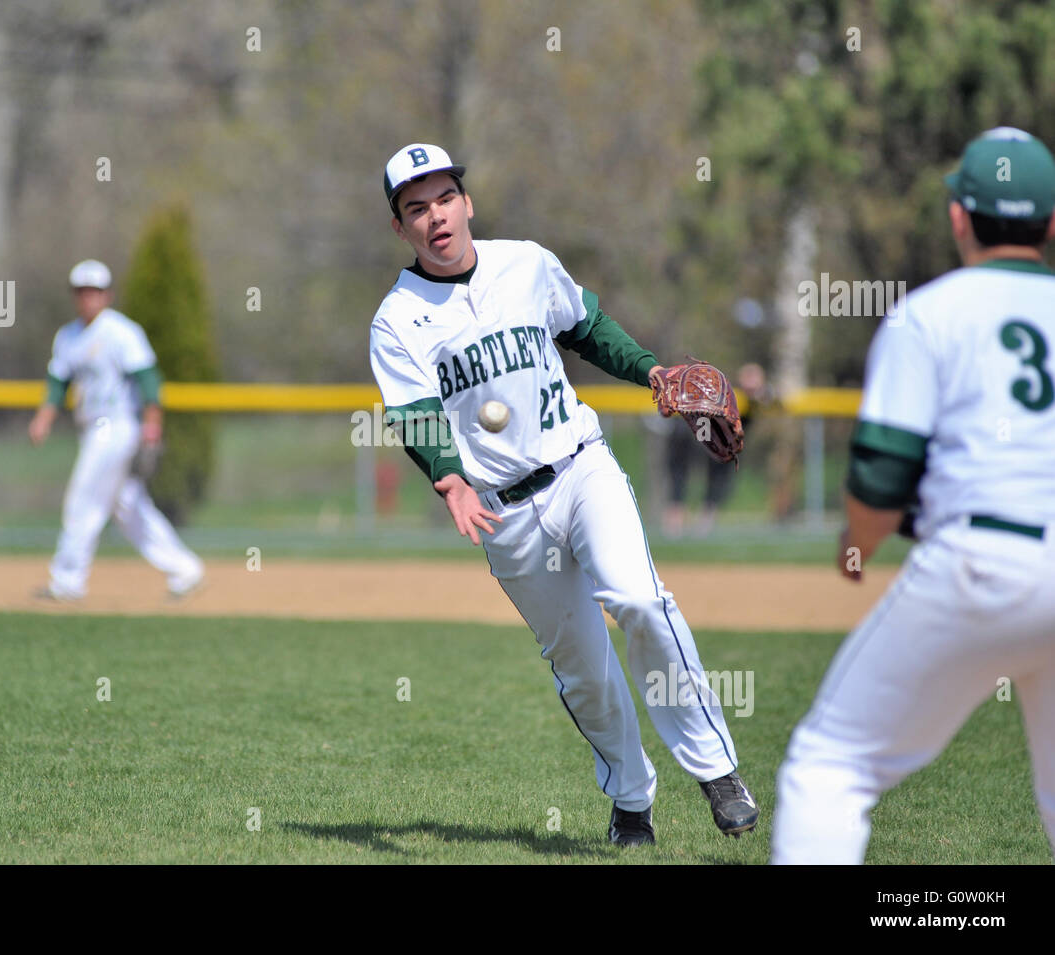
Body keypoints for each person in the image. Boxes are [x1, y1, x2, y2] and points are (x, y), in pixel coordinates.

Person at [369, 143, 758, 846]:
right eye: (415, 208)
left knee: (639, 599)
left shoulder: (527, 261)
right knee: (583, 668)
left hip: (581, 466)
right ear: (401, 228)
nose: (436, 216)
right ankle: (632, 799)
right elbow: (415, 413)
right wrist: (449, 476)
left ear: (468, 201)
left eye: (444, 198)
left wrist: (652, 372)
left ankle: (717, 769)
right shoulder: (397, 320)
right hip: (504, 511)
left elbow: (586, 328)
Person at [772, 127, 1055, 864]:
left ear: (959, 215)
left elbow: (882, 473)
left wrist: (857, 545)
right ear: (1052, 223)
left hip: (981, 562)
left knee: (831, 764)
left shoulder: (927, 313)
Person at [28, 259, 205, 601]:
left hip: (118, 425)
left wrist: (153, 424)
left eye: (94, 291)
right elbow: (58, 382)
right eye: (81, 291)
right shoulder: (68, 336)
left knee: (83, 496)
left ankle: (67, 581)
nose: (88, 298)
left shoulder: (122, 332)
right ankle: (185, 569)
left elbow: (148, 379)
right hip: (92, 427)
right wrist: (44, 418)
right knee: (127, 505)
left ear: (107, 295)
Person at [662, 363, 769, 537]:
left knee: (719, 475)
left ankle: (704, 525)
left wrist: (759, 390)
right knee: (679, 474)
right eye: (748, 376)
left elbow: (769, 398)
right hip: (692, 430)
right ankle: (674, 526)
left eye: (754, 377)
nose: (751, 381)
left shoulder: (756, 397)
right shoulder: (725, 388)